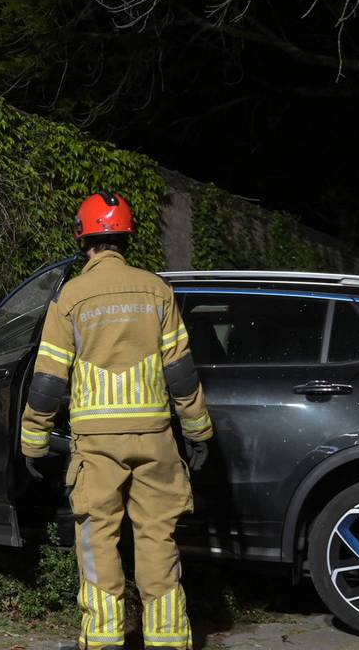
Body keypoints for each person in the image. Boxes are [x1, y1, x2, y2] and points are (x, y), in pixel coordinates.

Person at [20, 191, 213, 650]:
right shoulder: (157, 290)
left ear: (83, 237)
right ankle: (167, 640)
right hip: (157, 443)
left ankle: (103, 641)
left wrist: (33, 442)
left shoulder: (71, 297)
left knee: (97, 541)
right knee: (158, 540)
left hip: (97, 447)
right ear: (126, 236)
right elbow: (181, 372)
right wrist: (199, 431)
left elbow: (49, 380)